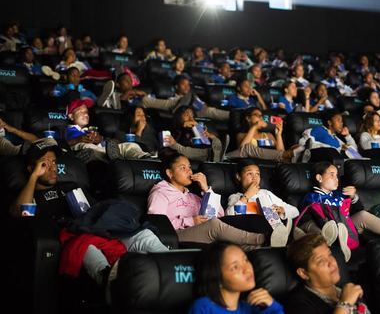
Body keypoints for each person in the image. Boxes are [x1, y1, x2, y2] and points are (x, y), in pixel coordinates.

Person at [10, 138, 169, 286]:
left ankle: (171, 265)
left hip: (98, 230)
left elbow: (96, 210)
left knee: (143, 234)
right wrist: (33, 178)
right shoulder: (28, 194)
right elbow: (18, 213)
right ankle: (114, 282)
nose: (53, 167)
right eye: (44, 163)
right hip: (73, 237)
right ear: (32, 168)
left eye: (54, 161)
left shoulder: (70, 185)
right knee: (86, 245)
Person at [147, 151, 288, 248]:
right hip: (176, 235)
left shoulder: (193, 196)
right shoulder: (161, 192)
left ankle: (263, 246)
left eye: (189, 167)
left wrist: (206, 189)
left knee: (248, 222)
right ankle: (265, 239)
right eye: (183, 168)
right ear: (169, 173)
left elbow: (221, 216)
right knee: (214, 225)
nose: (189, 172)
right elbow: (156, 224)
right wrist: (191, 221)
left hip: (204, 231)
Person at [300, 162, 380, 261]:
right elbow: (308, 220)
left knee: (362, 215)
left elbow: (358, 210)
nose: (336, 179)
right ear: (319, 178)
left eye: (337, 176)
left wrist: (354, 198)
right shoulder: (312, 198)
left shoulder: (340, 194)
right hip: (328, 230)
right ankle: (340, 247)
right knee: (317, 227)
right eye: (332, 175)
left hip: (347, 227)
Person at [189, 242, 284, 314]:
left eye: (245, 260)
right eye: (235, 267)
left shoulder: (253, 308)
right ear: (217, 277)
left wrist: (274, 307)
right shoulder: (204, 307)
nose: (247, 269)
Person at [285, 234, 370, 314]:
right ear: (303, 273)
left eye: (329, 255)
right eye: (321, 261)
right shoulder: (299, 304)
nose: (331, 262)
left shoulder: (347, 289)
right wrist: (345, 304)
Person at [65, 99, 152, 162]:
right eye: (80, 111)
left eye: (86, 112)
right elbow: (59, 145)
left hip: (103, 150)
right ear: (71, 116)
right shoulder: (65, 129)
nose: (85, 114)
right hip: (85, 150)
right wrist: (79, 139)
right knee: (87, 147)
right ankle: (114, 157)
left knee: (130, 145)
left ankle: (146, 157)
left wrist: (100, 139)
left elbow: (106, 144)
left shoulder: (90, 130)